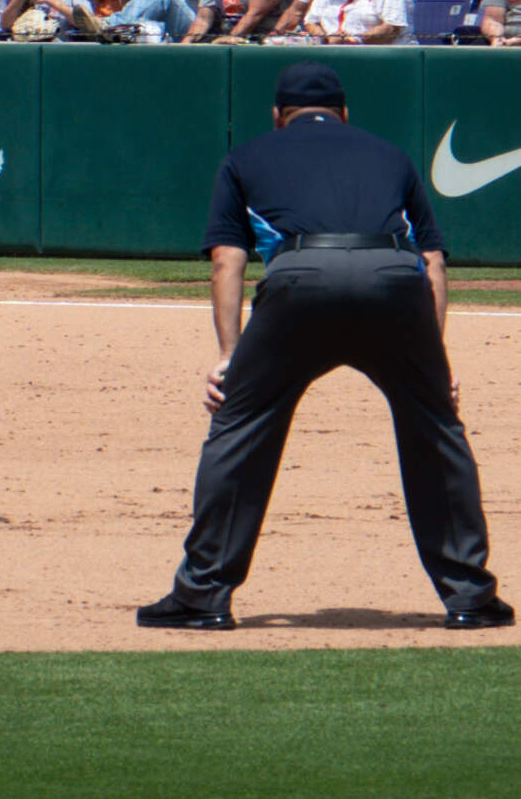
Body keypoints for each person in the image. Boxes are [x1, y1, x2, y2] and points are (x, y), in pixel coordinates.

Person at [139, 61, 512, 630]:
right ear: (344, 113)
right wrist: (435, 363)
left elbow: (226, 261)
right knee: (435, 428)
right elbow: (432, 262)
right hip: (393, 281)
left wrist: (230, 358)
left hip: (300, 283)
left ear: (277, 115)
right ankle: (471, 599)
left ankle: (202, 596)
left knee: (239, 429)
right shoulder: (391, 155)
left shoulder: (245, 157)